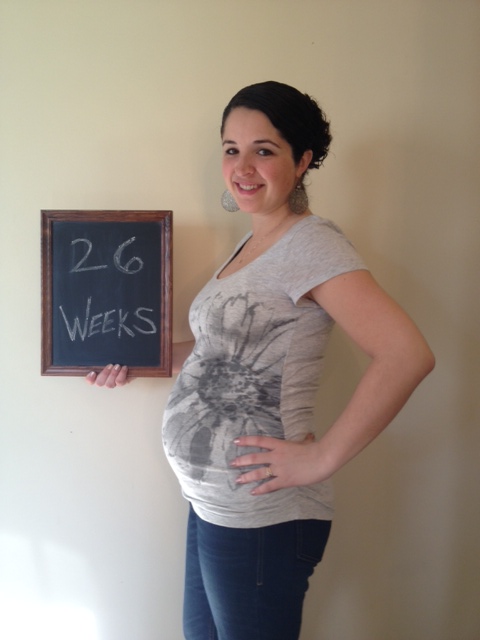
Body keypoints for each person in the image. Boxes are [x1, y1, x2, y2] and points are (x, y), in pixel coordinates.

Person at [87, 81, 435, 640]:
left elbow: (406, 354)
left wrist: (320, 459)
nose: (242, 167)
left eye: (264, 150)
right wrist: (136, 359)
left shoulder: (313, 245)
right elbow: (219, 352)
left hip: (263, 515)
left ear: (302, 161)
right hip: (213, 503)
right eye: (232, 149)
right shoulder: (249, 246)